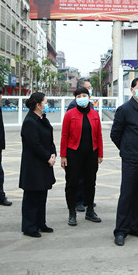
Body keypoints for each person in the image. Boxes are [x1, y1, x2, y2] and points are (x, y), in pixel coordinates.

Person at [110, 77, 138, 246]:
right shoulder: (125, 109)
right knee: (127, 194)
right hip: (131, 159)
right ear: (132, 90)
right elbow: (115, 134)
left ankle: (135, 226)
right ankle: (121, 230)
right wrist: (127, 149)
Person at [60, 87, 103, 226]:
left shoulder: (95, 114)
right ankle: (72, 212)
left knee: (90, 183)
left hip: (91, 153)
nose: (82, 98)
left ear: (89, 97)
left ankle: (90, 210)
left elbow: (99, 135)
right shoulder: (70, 114)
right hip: (73, 153)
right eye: (78, 96)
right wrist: (63, 156)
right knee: (71, 183)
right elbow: (64, 135)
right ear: (75, 99)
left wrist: (100, 154)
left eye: (84, 95)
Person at [19, 92, 56, 238]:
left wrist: (53, 154)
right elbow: (35, 144)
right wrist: (48, 157)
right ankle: (29, 226)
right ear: (37, 105)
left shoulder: (42, 119)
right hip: (34, 165)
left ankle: (41, 223)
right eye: (45, 102)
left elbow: (49, 139)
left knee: (42, 194)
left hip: (44, 163)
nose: (47, 105)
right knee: (32, 197)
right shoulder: (30, 121)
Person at [67, 78, 95, 212]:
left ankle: (86, 200)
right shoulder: (73, 106)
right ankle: (78, 201)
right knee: (77, 177)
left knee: (88, 177)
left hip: (90, 149)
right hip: (76, 149)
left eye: (88, 90)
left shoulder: (91, 106)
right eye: (88, 88)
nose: (89, 90)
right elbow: (66, 133)